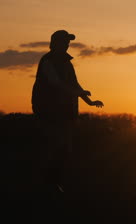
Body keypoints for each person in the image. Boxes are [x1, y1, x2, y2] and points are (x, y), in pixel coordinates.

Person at [32, 29, 103, 193]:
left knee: (64, 149)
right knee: (55, 148)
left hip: (64, 112)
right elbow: (56, 83)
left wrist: (89, 101)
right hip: (50, 112)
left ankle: (54, 183)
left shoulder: (66, 62)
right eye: (64, 41)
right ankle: (49, 185)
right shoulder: (48, 61)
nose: (66, 45)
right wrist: (78, 93)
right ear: (54, 43)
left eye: (68, 42)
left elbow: (75, 84)